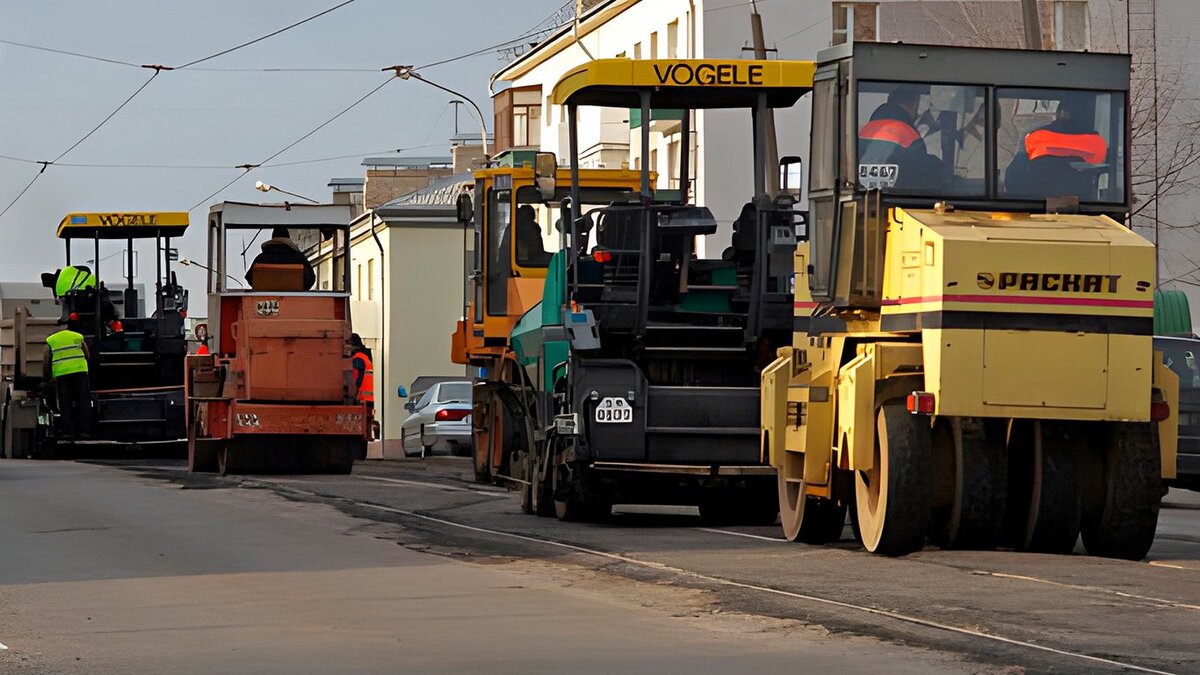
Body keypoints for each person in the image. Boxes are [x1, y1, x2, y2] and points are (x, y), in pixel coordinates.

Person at [1004, 94, 1107, 200]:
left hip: (1035, 203)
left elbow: (1013, 181)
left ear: (1061, 113)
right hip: (1083, 205)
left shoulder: (1035, 136)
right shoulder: (1101, 141)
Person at [858, 86, 943, 192]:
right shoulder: (907, 134)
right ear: (915, 103)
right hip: (893, 196)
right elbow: (923, 172)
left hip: (865, 194)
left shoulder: (866, 130)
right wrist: (942, 168)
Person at [44, 324, 92, 438]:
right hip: (80, 372)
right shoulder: (78, 336)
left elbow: (46, 359)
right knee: (83, 401)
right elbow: (87, 354)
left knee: (65, 403)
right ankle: (85, 431)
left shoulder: (51, 340)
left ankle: (67, 430)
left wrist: (47, 376)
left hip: (62, 374)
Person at [246, 227, 316, 290]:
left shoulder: (261, 259)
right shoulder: (299, 258)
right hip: (296, 299)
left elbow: (250, 278)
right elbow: (310, 280)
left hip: (265, 299)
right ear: (289, 240)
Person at [349, 333, 374, 406]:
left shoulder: (358, 358)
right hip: (370, 398)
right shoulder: (366, 356)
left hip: (363, 398)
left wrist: (354, 396)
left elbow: (357, 379)